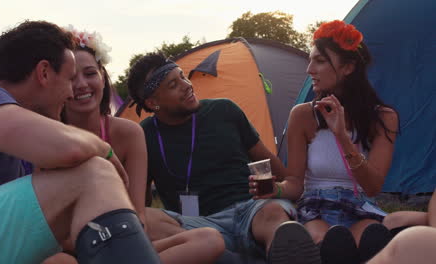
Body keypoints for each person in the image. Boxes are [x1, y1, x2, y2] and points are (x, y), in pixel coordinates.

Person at [0, 21, 160, 264]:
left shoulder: (19, 146)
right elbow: (69, 148)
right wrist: (106, 151)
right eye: (69, 78)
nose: (71, 92)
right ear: (44, 73)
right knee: (93, 172)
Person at [43, 25, 224, 264]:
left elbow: (137, 213)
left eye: (89, 73)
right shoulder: (47, 137)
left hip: (124, 239)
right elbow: (49, 226)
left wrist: (119, 244)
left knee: (210, 239)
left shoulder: (128, 133)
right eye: (71, 77)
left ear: (102, 77)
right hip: (75, 248)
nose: (81, 85)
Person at [127, 52, 320, 264]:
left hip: (251, 211)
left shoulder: (224, 111)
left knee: (273, 212)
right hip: (198, 226)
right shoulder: (143, 136)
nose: (186, 85)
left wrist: (281, 190)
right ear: (153, 102)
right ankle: (252, 257)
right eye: (173, 84)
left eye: (183, 76)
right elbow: (138, 203)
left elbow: (277, 171)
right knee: (142, 217)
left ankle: (278, 250)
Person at [277, 20, 399, 264]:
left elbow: (373, 186)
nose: (309, 69)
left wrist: (342, 136)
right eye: (310, 60)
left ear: (348, 67)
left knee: (368, 239)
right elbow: (295, 183)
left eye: (320, 61)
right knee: (330, 243)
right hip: (315, 205)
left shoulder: (384, 118)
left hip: (359, 206)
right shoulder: (302, 115)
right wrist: (276, 189)